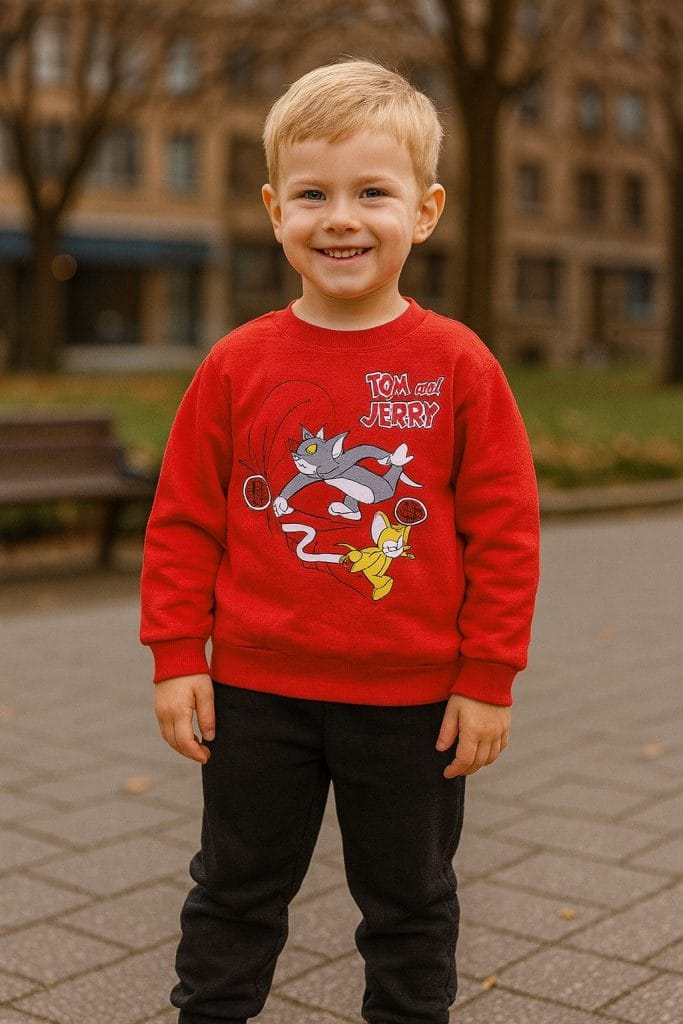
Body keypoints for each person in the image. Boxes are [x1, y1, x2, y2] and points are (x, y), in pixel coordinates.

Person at [140, 59, 539, 1024]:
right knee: (232, 894)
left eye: (372, 193)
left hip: (412, 705)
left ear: (425, 211)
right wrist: (176, 656)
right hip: (253, 695)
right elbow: (185, 519)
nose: (340, 219)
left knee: (409, 907)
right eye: (313, 194)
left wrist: (487, 677)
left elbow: (504, 533)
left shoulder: (456, 364)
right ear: (274, 210)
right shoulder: (236, 364)